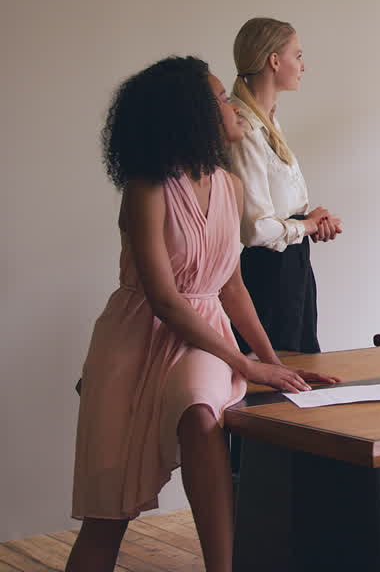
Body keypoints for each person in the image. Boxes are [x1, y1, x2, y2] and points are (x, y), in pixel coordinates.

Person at [68, 57, 339, 572]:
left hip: (203, 336)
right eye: (219, 98)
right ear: (189, 115)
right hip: (135, 336)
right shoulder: (146, 188)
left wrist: (269, 358)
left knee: (199, 407)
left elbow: (231, 285)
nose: (232, 105)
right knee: (106, 516)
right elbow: (165, 300)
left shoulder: (229, 185)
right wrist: (247, 363)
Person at [225, 17, 341, 353]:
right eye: (298, 55)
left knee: (301, 364)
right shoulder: (244, 128)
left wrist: (310, 222)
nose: (304, 66)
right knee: (279, 372)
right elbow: (255, 228)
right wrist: (305, 225)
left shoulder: (268, 120)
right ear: (274, 61)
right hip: (269, 272)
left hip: (293, 264)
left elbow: (278, 207)